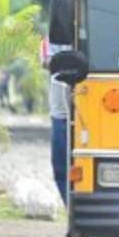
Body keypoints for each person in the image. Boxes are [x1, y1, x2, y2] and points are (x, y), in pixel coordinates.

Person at [43, 40, 71, 205]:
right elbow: (46, 61)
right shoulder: (55, 36)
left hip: (90, 107)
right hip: (61, 111)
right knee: (60, 167)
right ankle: (70, 209)